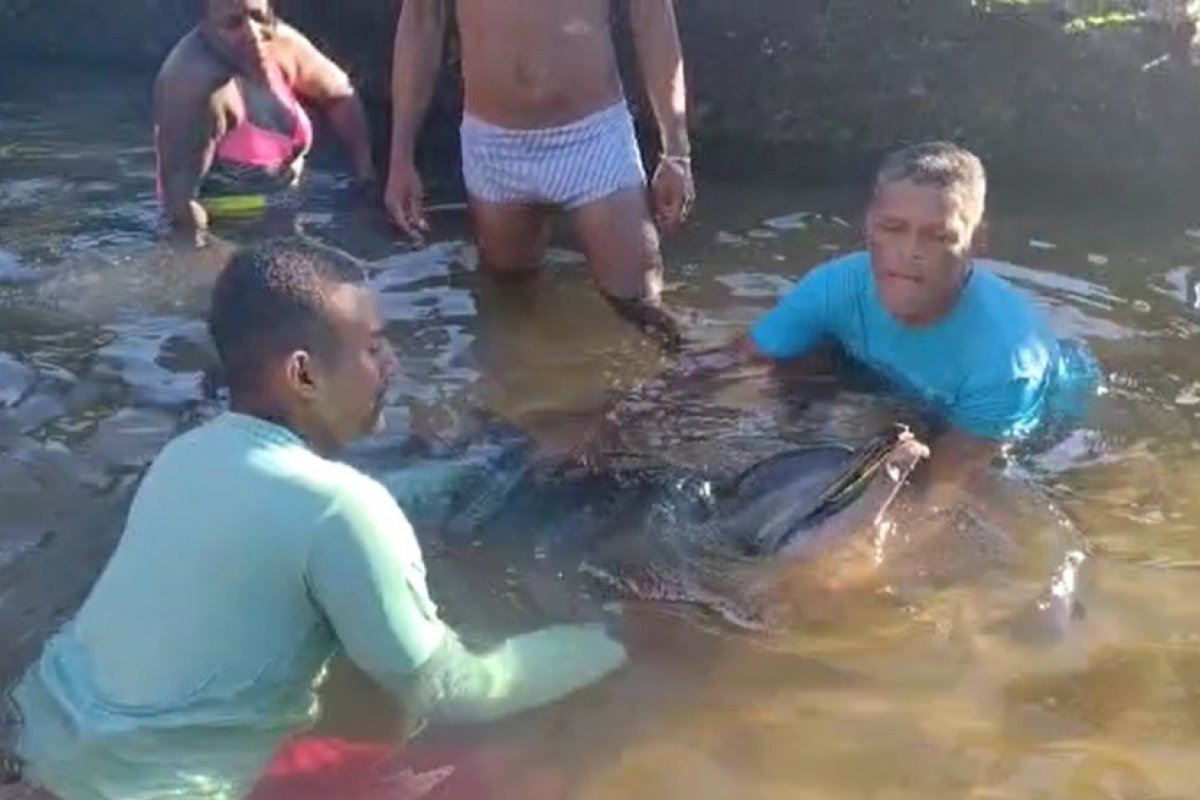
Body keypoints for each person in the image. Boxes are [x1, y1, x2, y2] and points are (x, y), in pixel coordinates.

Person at [2, 240, 626, 800]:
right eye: (373, 346)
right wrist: (613, 642)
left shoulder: (188, 456)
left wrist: (483, 472)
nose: (391, 365)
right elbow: (448, 688)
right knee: (516, 772)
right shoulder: (341, 508)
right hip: (153, 791)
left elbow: (318, 515)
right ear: (302, 373)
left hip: (37, 746)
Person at [600, 141, 1101, 507]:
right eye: (893, 229)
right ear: (868, 227)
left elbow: (941, 494)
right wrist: (618, 418)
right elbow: (732, 360)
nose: (910, 253)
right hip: (891, 376)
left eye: (938, 236)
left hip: (1018, 419)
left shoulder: (1007, 362)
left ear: (977, 242)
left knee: (942, 488)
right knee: (796, 359)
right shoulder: (835, 286)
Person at [385, 0, 695, 351]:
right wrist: (401, 156)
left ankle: (684, 393)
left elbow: (652, 16)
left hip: (591, 138)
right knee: (509, 301)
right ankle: (525, 401)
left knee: (643, 310)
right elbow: (421, 22)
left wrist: (676, 152)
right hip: (494, 144)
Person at [154, 0, 378, 233]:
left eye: (258, 16)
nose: (253, 34)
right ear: (205, 26)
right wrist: (204, 259)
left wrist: (364, 174)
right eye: (232, 24)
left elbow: (339, 95)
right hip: (229, 228)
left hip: (291, 206)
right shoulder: (193, 86)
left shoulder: (282, 44)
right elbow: (180, 207)